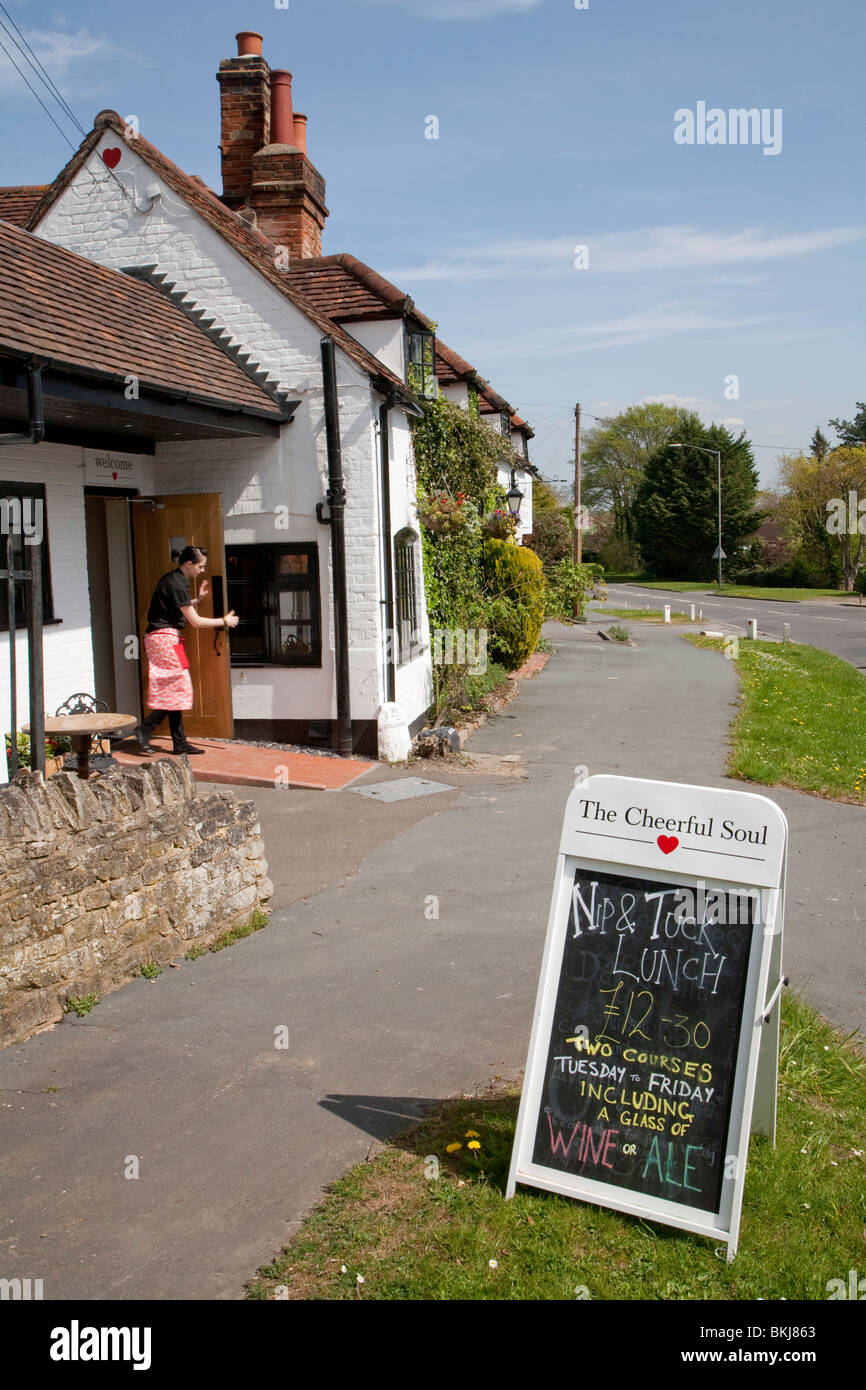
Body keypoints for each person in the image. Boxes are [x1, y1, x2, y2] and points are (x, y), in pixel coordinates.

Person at [136, 546, 239, 756]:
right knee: (179, 689)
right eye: (200, 566)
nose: (202, 570)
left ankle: (179, 743)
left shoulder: (175, 580)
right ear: (189, 564)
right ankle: (145, 729)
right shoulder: (176, 582)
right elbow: (195, 621)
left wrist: (197, 600)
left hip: (166, 639)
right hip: (163, 639)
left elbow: (176, 606)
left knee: (176, 690)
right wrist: (224, 621)